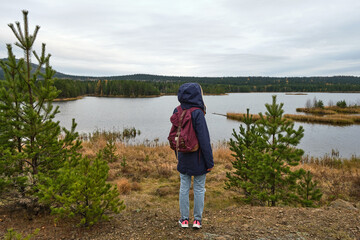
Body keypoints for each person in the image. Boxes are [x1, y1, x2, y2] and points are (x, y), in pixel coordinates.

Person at [173, 82, 214, 229]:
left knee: (184, 187)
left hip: (183, 157)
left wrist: (177, 155)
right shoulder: (198, 113)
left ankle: (184, 220)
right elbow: (204, 140)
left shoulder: (177, 110)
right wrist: (209, 163)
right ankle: (197, 221)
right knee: (198, 188)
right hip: (198, 158)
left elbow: (175, 136)